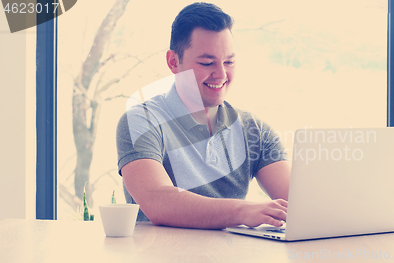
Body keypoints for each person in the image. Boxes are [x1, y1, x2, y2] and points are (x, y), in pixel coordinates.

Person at [116, 2, 290, 229]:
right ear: (173, 62)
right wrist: (243, 211)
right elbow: (157, 202)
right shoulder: (142, 121)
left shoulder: (254, 129)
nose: (221, 74)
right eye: (207, 62)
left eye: (229, 62)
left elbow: (301, 203)